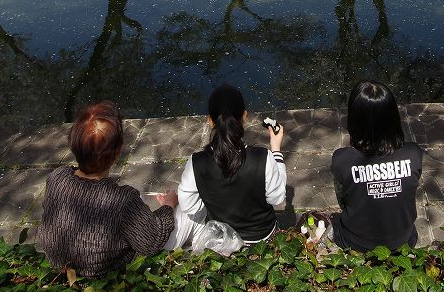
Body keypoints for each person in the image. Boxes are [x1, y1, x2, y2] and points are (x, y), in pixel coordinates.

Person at [37, 101, 199, 276]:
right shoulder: (122, 200)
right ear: (116, 152)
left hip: (59, 262)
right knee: (188, 209)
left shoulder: (57, 177)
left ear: (73, 145)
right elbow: (152, 241)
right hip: (103, 271)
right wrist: (168, 206)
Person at [177, 84, 286, 245]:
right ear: (244, 116)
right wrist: (276, 150)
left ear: (209, 120)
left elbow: (188, 206)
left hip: (223, 241)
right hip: (262, 239)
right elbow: (277, 199)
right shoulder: (263, 158)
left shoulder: (196, 163)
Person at [330, 80, 423, 252]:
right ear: (393, 116)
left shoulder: (341, 160)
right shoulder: (414, 154)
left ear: (354, 119)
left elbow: (343, 202)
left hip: (357, 243)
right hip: (403, 241)